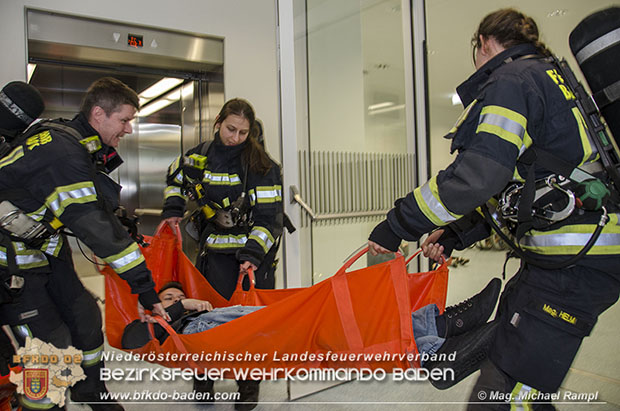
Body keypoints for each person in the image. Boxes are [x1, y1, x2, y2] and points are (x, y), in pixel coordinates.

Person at [368, 8, 620, 410]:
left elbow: (478, 174)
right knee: (508, 350)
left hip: (574, 266)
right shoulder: (550, 76)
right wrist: (456, 233)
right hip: (570, 259)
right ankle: (447, 347)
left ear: (484, 44)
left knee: (506, 399)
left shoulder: (512, 80)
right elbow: (521, 184)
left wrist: (397, 224)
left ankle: (442, 345)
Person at [0, 78, 168, 411]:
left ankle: (90, 389)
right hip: (11, 263)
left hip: (45, 251)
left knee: (86, 317)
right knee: (49, 346)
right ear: (97, 113)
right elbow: (95, 228)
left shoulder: (73, 141)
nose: (129, 129)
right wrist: (146, 291)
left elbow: (91, 208)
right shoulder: (62, 151)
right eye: (124, 120)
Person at [122, 277, 501, 408]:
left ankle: (440, 326)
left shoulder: (213, 314)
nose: (173, 301)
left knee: (365, 321)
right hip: (276, 335)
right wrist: (180, 308)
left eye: (176, 295)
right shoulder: (179, 331)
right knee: (352, 316)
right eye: (166, 299)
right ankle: (436, 342)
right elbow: (131, 339)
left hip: (278, 329)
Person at [162, 98, 283, 301]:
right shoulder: (200, 155)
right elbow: (175, 180)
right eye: (230, 129)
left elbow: (269, 219)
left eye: (243, 133)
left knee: (251, 317)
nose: (235, 138)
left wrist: (252, 254)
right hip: (214, 254)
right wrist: (173, 208)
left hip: (250, 255)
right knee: (216, 314)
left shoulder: (261, 166)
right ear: (218, 122)